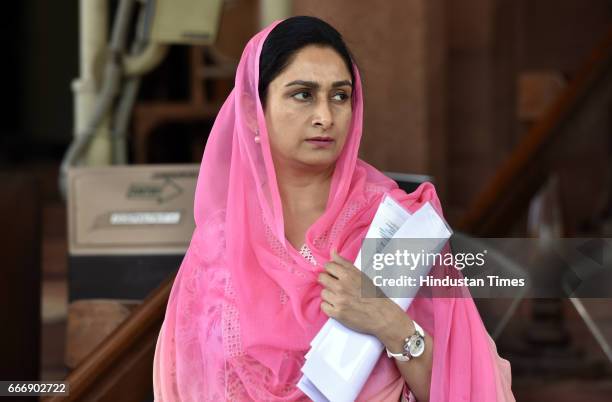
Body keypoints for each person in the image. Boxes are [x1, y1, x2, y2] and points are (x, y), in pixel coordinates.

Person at [153, 16, 514, 401]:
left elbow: (476, 386)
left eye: (340, 96)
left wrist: (389, 323)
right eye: (303, 94)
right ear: (250, 111)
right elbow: (180, 382)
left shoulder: (393, 228)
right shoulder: (220, 243)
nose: (325, 116)